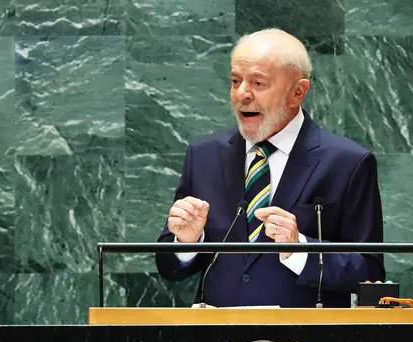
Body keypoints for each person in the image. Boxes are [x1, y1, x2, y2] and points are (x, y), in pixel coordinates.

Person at [156, 28, 385, 308]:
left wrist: (299, 248)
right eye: (235, 81)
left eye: (258, 83)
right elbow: (170, 267)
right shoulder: (204, 155)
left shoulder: (348, 162)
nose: (242, 94)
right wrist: (187, 242)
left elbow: (369, 272)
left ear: (297, 92)